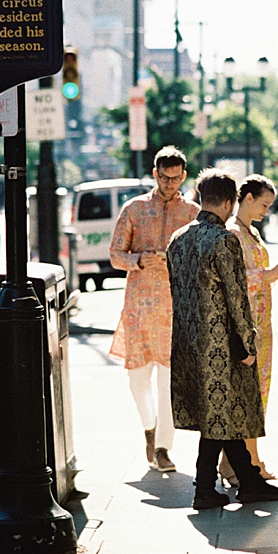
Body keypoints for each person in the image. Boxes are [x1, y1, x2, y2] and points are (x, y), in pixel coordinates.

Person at [167, 169, 278, 510]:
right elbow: (236, 298)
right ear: (228, 202)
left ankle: (247, 480)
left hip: (187, 342)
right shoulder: (223, 240)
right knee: (223, 412)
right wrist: (247, 345)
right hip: (222, 344)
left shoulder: (177, 238)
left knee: (220, 413)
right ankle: (206, 487)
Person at [108, 146, 195, 473]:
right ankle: (149, 427)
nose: (170, 183)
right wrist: (138, 260)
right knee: (137, 379)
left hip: (176, 308)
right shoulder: (134, 209)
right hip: (140, 306)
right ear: (155, 174)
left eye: (176, 178)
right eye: (164, 177)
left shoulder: (193, 213)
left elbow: (198, 258)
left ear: (183, 176)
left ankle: (162, 447)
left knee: (170, 384)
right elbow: (115, 254)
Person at [227, 175, 278, 482]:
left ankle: (235, 463)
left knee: (256, 392)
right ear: (246, 198)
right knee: (250, 393)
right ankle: (250, 462)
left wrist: (274, 273)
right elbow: (236, 279)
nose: (267, 211)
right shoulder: (233, 233)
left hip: (260, 324)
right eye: (263, 204)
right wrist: (272, 273)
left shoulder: (250, 231)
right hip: (246, 326)